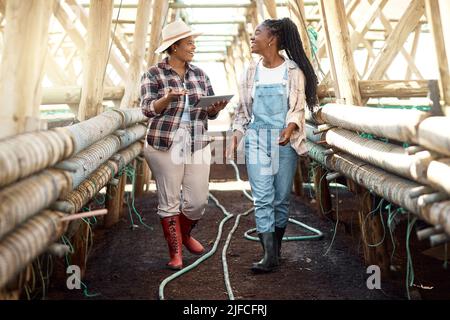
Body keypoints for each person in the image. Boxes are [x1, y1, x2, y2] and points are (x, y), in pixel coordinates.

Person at [228, 18, 318, 273]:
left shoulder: (293, 72)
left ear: (272, 38)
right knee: (263, 198)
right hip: (257, 138)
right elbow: (243, 112)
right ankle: (268, 256)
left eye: (257, 33)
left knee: (280, 199)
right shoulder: (249, 72)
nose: (252, 37)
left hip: (285, 141)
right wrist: (236, 135)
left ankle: (275, 250)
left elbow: (297, 109)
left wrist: (289, 130)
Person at [141, 20, 228, 270]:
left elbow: (209, 114)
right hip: (164, 143)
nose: (193, 46)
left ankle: (185, 234)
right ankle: (176, 252)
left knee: (197, 202)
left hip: (197, 141)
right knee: (169, 201)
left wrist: (214, 109)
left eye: (193, 42)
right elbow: (147, 109)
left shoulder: (200, 74)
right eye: (189, 42)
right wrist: (166, 99)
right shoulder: (153, 74)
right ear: (174, 47)